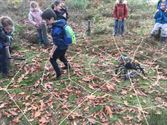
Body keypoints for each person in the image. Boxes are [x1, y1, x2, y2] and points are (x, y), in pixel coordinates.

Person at [41, 9, 71, 79]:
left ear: (51, 19)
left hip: (60, 46)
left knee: (52, 59)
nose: (45, 22)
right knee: (61, 56)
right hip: (66, 44)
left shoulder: (55, 31)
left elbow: (56, 43)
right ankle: (68, 66)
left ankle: (58, 74)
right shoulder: (61, 21)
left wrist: (51, 52)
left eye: (46, 20)